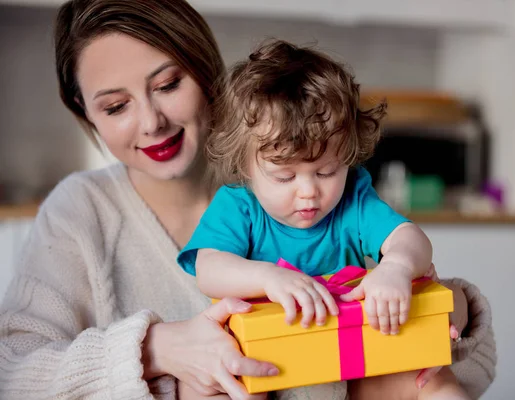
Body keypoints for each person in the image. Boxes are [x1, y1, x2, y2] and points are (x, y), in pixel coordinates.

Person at [0, 0, 496, 399]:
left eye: (169, 84)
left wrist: (435, 307)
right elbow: (12, 377)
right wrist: (155, 349)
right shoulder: (82, 212)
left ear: (208, 73)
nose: (151, 122)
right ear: (84, 111)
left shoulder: (316, 183)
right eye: (115, 105)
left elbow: (463, 357)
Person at [177, 39, 469, 400]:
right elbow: (209, 268)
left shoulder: (353, 200)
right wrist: (266, 277)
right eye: (285, 177)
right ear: (246, 167)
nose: (308, 192)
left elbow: (409, 238)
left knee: (434, 383)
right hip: (268, 364)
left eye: (327, 171)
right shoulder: (238, 206)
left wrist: (395, 268)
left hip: (348, 363)